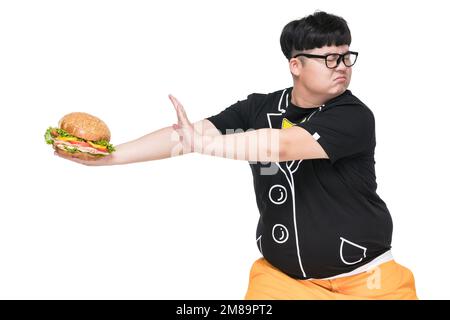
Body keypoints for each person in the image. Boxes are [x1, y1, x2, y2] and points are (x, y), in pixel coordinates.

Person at [55, 11, 418, 300]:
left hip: (367, 281)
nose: (342, 66)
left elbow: (282, 145)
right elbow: (184, 136)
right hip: (283, 280)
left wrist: (203, 144)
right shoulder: (258, 107)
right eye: (329, 58)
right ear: (296, 64)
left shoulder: (354, 116)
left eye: (346, 56)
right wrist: (110, 156)